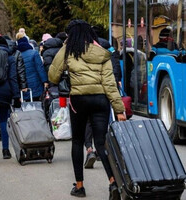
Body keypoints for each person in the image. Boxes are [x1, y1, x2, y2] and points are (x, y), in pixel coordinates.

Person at [48, 19, 126, 199]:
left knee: (77, 141)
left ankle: (80, 187)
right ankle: (113, 182)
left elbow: (53, 76)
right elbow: (109, 83)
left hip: (79, 100)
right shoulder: (102, 52)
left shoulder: (68, 51)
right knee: (101, 142)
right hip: (101, 100)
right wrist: (119, 109)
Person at [84, 26, 122, 169]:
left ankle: (89, 148)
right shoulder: (109, 47)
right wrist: (117, 79)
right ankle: (104, 148)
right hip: (107, 86)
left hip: (90, 88)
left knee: (88, 120)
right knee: (104, 118)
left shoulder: (87, 48)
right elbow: (115, 64)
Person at [17, 35, 48, 100]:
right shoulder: (34, 53)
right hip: (36, 83)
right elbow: (40, 68)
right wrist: (45, 81)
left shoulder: (17, 55)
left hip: (23, 86)